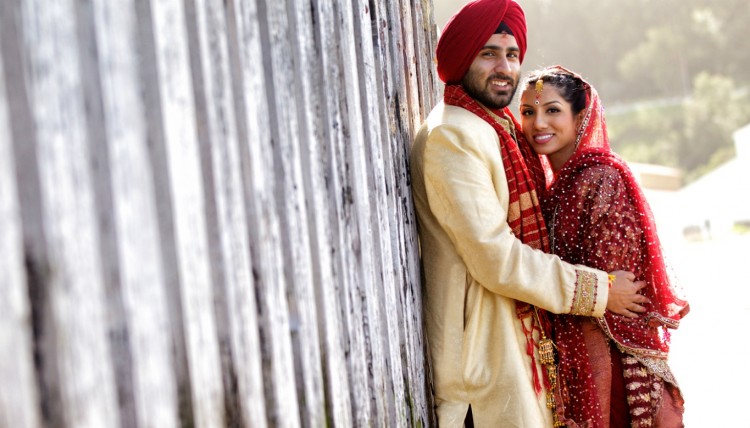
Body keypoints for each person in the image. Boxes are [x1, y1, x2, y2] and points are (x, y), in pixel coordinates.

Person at [409, 1, 649, 426]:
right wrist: (598, 291)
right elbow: (495, 257)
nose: (504, 66)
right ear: (462, 59)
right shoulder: (452, 136)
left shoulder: (497, 127)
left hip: (519, 354)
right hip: (482, 372)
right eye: (488, 53)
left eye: (512, 54)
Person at [518, 65, 690, 427]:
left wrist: (593, 290)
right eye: (528, 112)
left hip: (610, 361)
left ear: (580, 115)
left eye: (552, 110)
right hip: (570, 355)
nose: (539, 124)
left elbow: (617, 286)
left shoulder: (601, 179)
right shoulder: (550, 189)